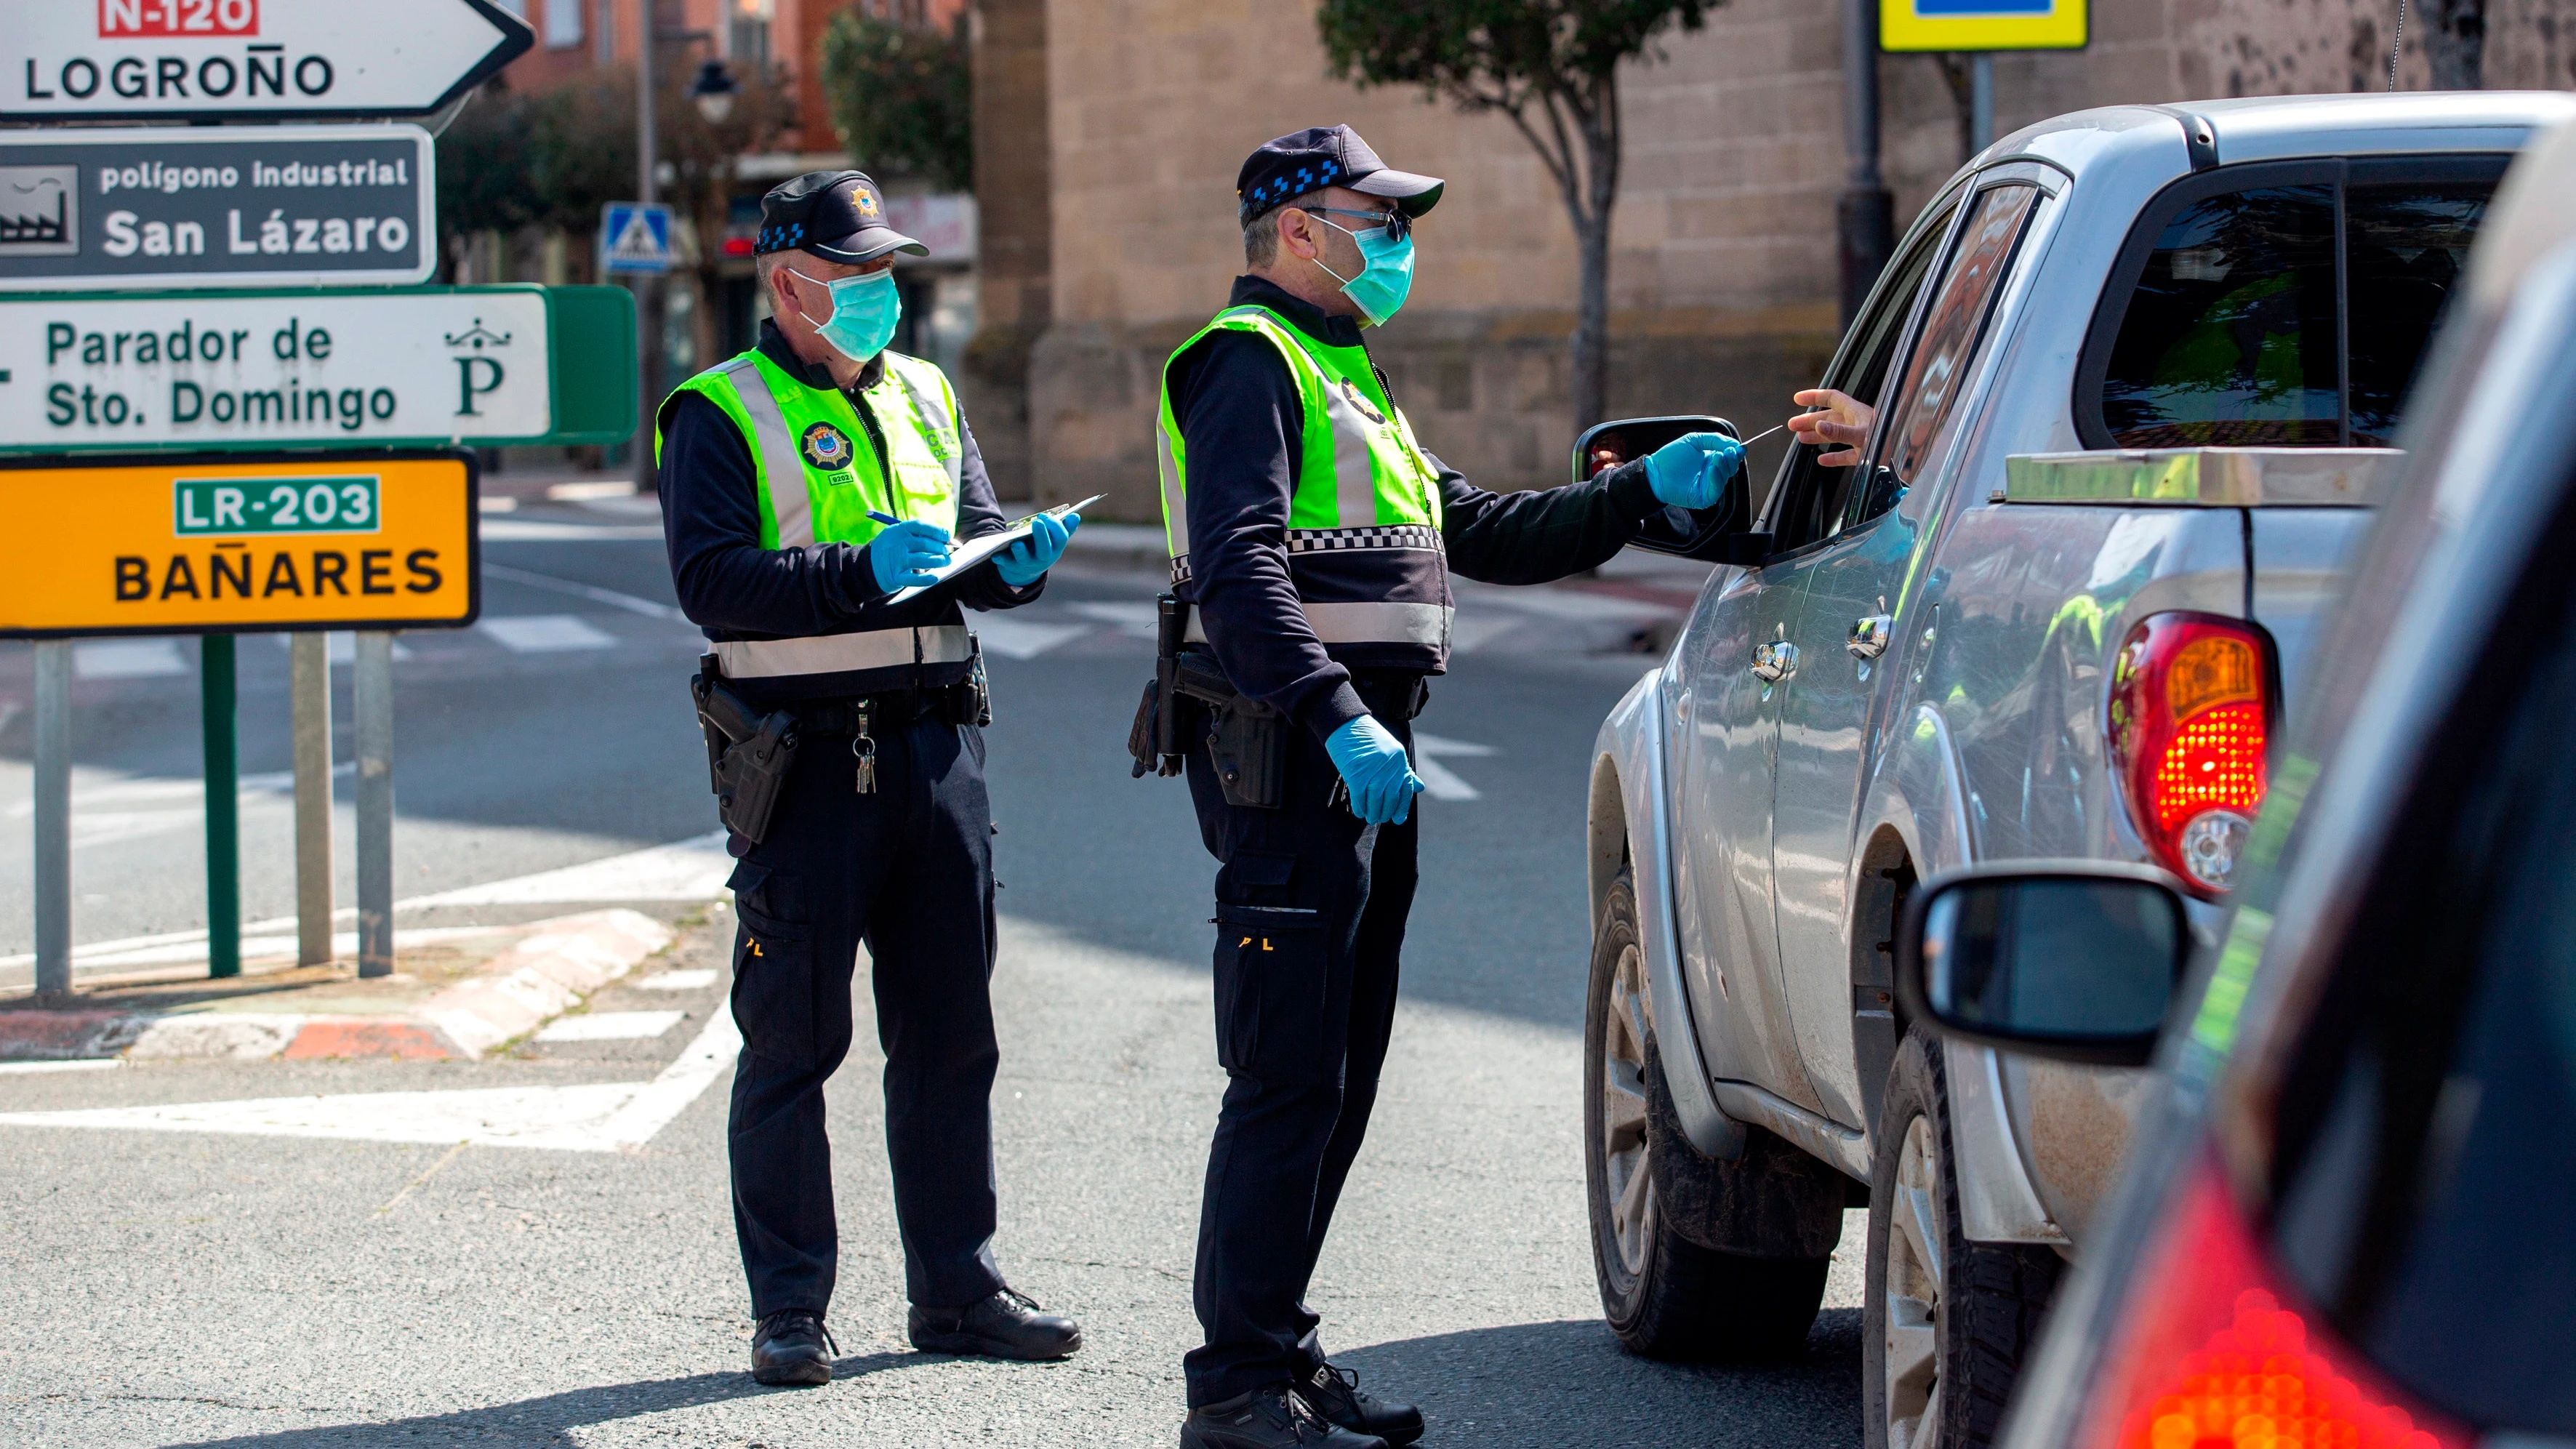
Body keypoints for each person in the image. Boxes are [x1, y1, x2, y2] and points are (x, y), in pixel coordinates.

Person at [1152, 126, 1749, 1449]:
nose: (1400, 240)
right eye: (1379, 217)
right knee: (1286, 1077)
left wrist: (1636, 495)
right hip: (1297, 760)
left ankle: (1278, 1349)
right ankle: (1235, 1387)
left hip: (1360, 760)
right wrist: (1335, 717)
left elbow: (1473, 530)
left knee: (1338, 1076)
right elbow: (1237, 569)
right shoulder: (1245, 364)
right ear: (1300, 228)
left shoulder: (1341, 374)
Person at [656, 169, 1083, 1388]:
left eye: (886, 272)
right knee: (793, 1045)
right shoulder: (717, 411)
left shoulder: (929, 393)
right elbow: (713, 584)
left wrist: (1015, 563)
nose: (878, 295)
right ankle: (790, 1309)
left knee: (953, 1039)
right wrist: (855, 570)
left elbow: (975, 544)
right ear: (787, 282)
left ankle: (959, 1290)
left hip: (939, 748)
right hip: (800, 761)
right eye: (852, 276)